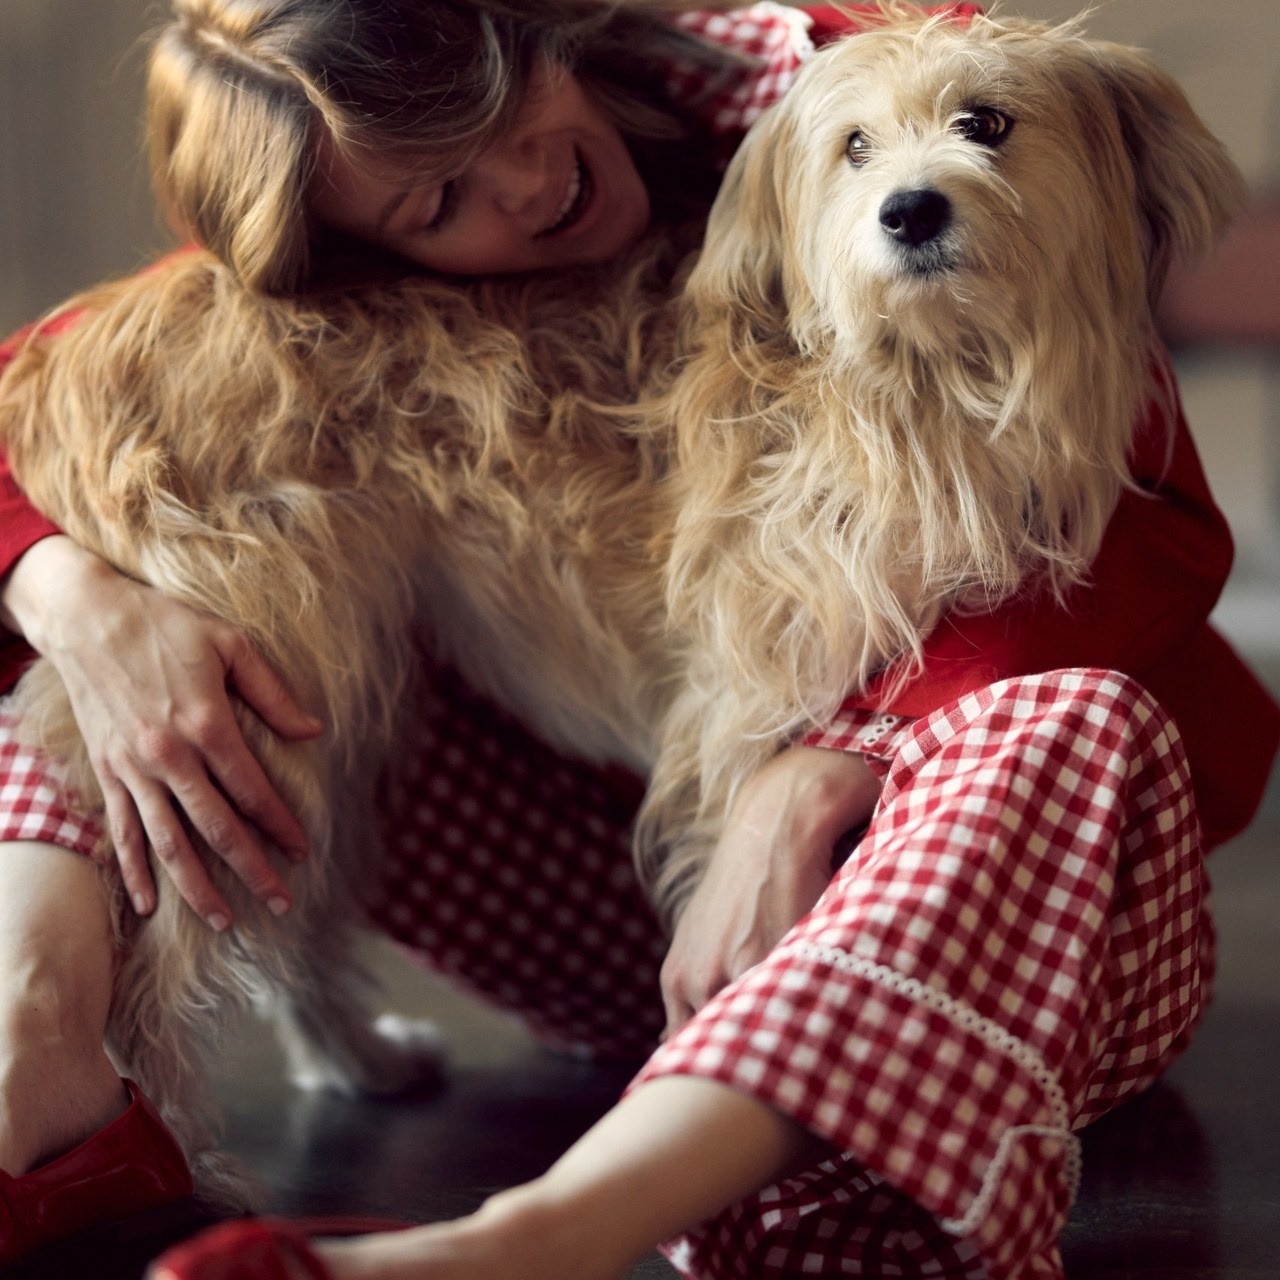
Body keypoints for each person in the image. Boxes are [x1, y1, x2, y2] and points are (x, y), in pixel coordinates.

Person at [0, 3, 1275, 1279]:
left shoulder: (837, 73)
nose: (524, 176)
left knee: (1068, 715)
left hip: (1006, 948)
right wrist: (68, 593)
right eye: (439, 203)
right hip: (642, 930)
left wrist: (840, 750)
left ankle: (529, 1240)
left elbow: (1149, 538)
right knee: (143, 586)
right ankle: (34, 1039)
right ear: (357, 255)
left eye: (502, 108)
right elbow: (96, 369)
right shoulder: (329, 243)